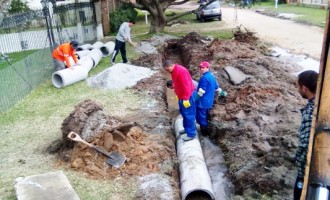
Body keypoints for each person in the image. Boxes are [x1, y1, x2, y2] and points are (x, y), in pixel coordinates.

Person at [294, 70, 318, 200]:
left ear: (305, 88)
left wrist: (302, 173)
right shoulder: (320, 103)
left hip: (308, 172)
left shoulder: (311, 113)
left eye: (298, 86)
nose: (297, 90)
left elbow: (305, 144)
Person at [163, 60, 197, 141]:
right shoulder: (174, 71)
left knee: (189, 115)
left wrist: (186, 99)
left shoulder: (181, 71)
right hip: (181, 96)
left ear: (171, 65)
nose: (167, 72)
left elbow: (186, 85)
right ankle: (187, 129)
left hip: (187, 97)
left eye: (168, 70)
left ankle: (191, 134)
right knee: (184, 114)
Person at [195, 61, 226, 135]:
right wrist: (223, 93)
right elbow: (216, 88)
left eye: (203, 68)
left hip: (202, 103)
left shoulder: (204, 78)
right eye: (200, 68)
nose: (201, 69)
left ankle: (204, 134)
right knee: (205, 116)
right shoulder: (212, 76)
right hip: (209, 102)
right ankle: (206, 131)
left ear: (208, 68)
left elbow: (201, 92)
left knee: (201, 118)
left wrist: (194, 99)